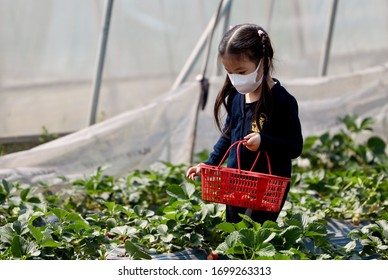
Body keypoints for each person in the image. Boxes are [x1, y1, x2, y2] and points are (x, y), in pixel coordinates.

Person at [186, 23, 303, 224]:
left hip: (268, 186)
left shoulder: (282, 101)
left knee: (256, 235)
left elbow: (295, 146)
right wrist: (209, 165)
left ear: (263, 62)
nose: (235, 79)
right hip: (236, 182)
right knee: (234, 231)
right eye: (229, 72)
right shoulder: (236, 97)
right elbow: (227, 136)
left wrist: (263, 141)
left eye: (241, 72)